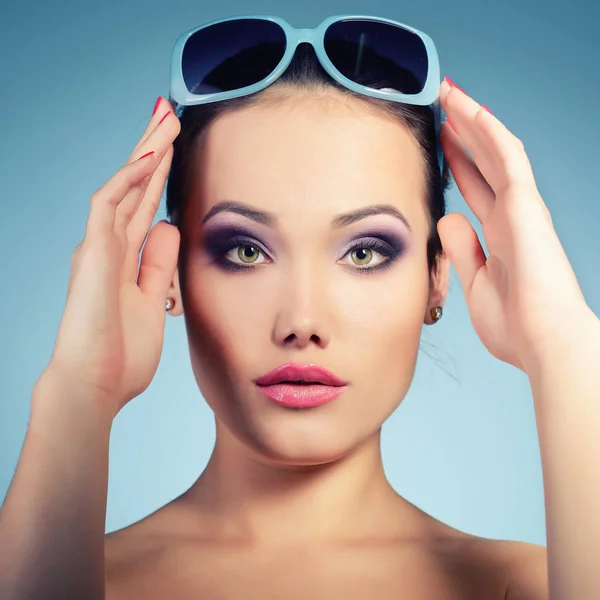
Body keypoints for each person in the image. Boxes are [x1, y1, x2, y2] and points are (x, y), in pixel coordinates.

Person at [4, 13, 600, 600]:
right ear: (172, 271)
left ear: (436, 276)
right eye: (244, 250)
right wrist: (78, 391)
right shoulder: (69, 574)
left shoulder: (519, 587)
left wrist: (567, 351)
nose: (302, 324)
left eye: (365, 252)